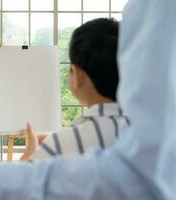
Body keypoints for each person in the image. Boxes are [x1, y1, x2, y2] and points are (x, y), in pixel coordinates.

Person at [0, 0, 176, 199]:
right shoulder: (166, 136)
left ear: (76, 76)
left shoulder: (60, 146)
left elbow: (140, 179)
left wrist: (9, 171)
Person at [21, 18, 130, 161]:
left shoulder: (58, 146)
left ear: (78, 75)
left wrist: (31, 151)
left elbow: (17, 182)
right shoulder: (153, 134)